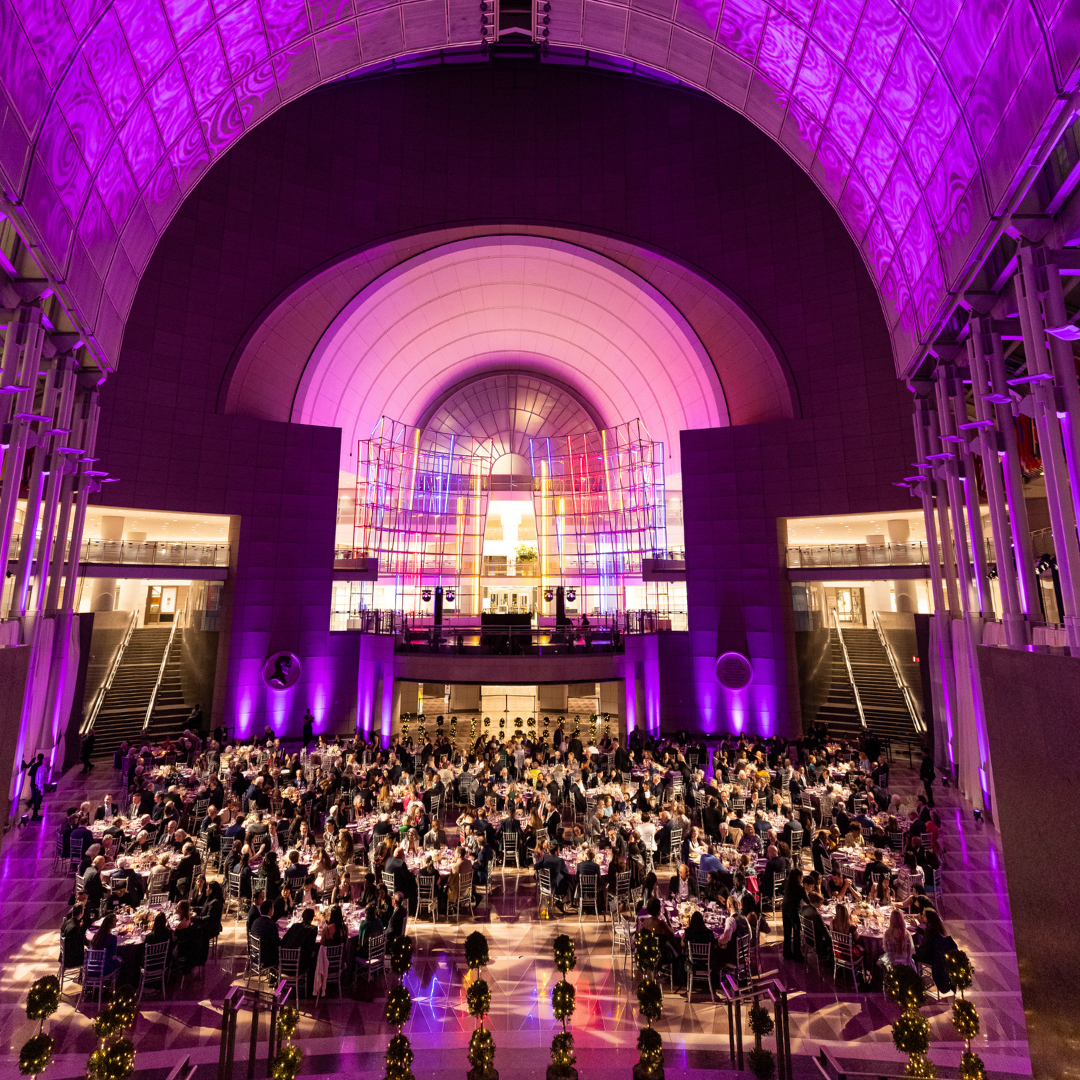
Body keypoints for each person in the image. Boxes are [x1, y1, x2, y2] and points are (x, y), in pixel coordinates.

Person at [281, 907, 319, 994]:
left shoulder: (294, 926)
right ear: (313, 918)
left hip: (285, 964)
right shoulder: (313, 929)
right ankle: (310, 988)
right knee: (315, 958)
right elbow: (310, 947)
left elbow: (284, 941)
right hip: (299, 967)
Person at [781, 868, 806, 962]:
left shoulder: (787, 884)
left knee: (787, 932)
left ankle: (786, 952)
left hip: (785, 909)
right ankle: (797, 953)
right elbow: (807, 901)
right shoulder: (800, 888)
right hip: (793, 911)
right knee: (796, 933)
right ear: (799, 877)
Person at [250, 900, 280, 968]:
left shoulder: (256, 921)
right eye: (273, 908)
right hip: (265, 959)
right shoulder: (271, 924)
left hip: (255, 955)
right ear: (270, 910)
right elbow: (276, 943)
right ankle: (278, 977)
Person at [20, 753, 46, 821]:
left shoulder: (35, 766)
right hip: (38, 784)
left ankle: (34, 811)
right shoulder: (42, 766)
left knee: (36, 798)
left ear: (37, 758)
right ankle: (34, 815)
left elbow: (29, 773)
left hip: (34, 783)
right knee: (37, 799)